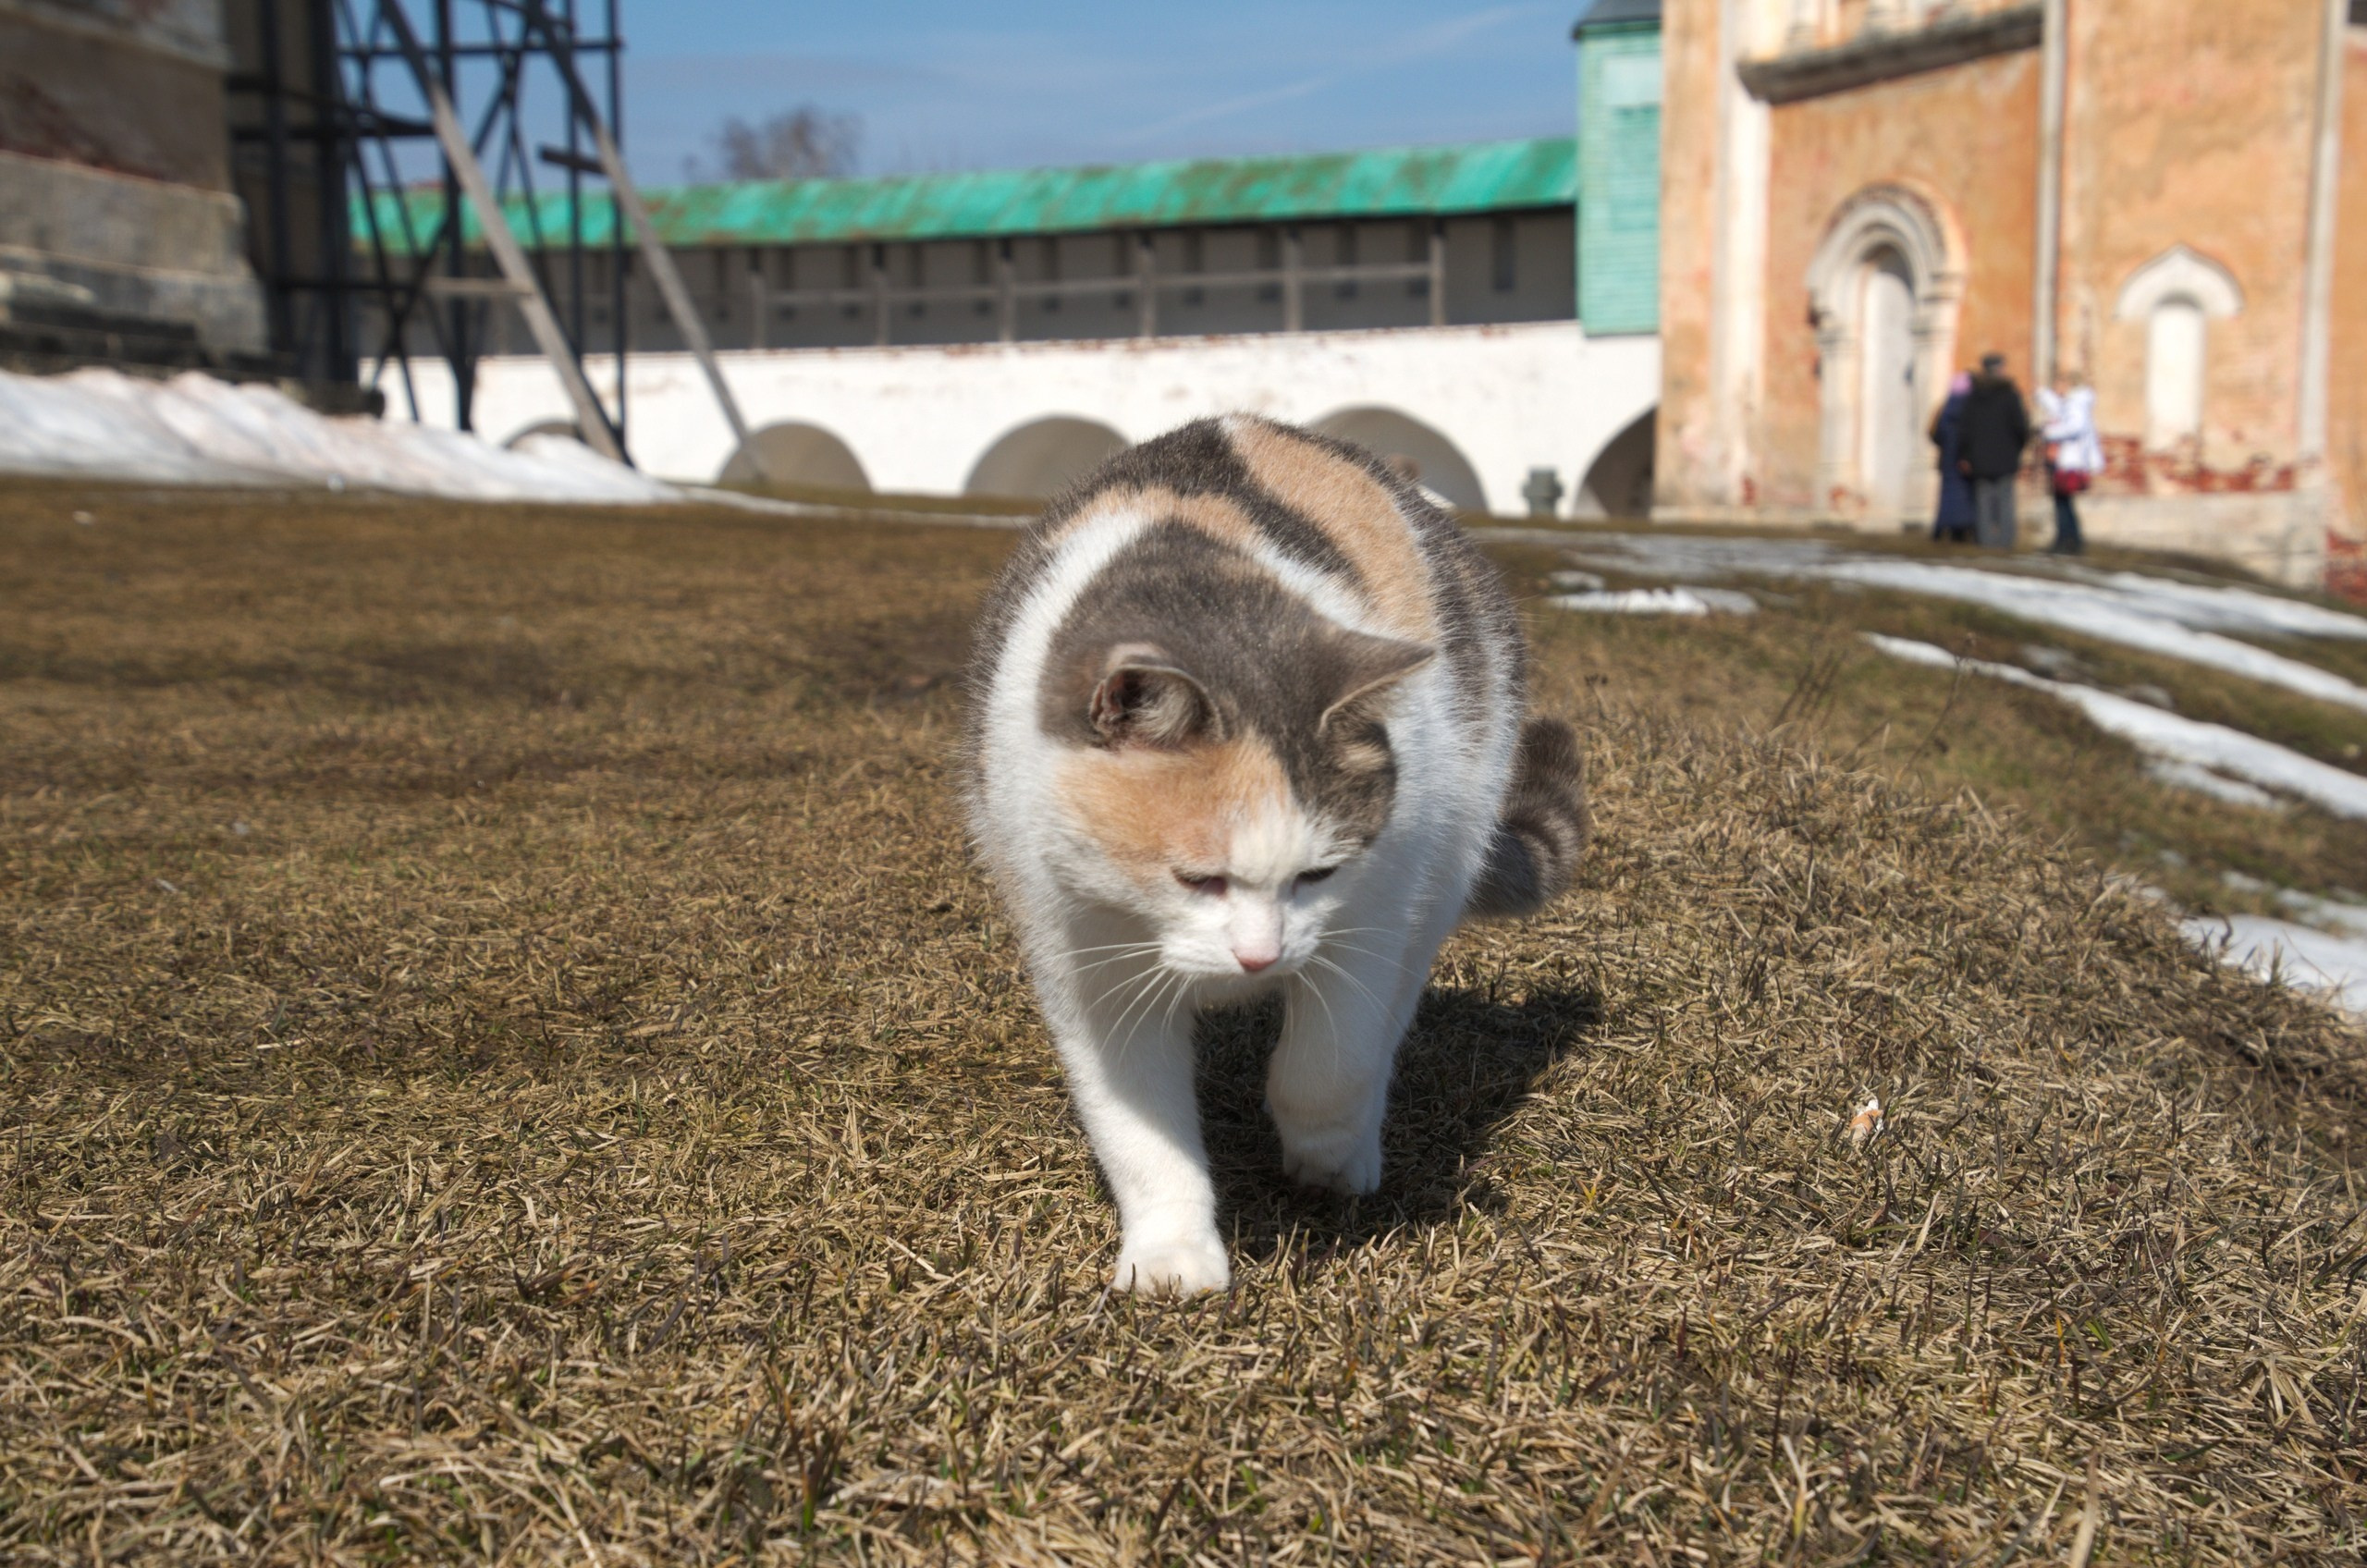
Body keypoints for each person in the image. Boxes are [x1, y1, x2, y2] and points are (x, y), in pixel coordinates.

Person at [1957, 351, 2030, 550]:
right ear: (1999, 370)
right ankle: (2005, 540)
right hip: (2005, 456)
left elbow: (1965, 429)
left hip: (1979, 458)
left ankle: (1985, 539)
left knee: (1983, 501)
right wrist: (2017, 447)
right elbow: (2021, 427)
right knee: (2005, 500)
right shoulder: (2010, 395)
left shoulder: (1973, 397)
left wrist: (1965, 455)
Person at [2036, 375, 2100, 556]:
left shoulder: (2075, 404)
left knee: (2064, 502)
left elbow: (2074, 427)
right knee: (2062, 502)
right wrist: (2042, 394)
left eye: (2059, 384)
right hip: (2065, 460)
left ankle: (2069, 540)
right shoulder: (2071, 403)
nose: (2057, 388)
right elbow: (2055, 407)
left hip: (2069, 462)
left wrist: (2049, 432)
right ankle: (2067, 539)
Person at [1928, 371, 1976, 543]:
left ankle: (1941, 529)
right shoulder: (1970, 408)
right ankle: (1962, 530)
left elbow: (1934, 433)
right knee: (1964, 496)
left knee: (1947, 496)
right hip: (1965, 460)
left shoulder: (1944, 407)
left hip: (1947, 460)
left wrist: (1945, 445)